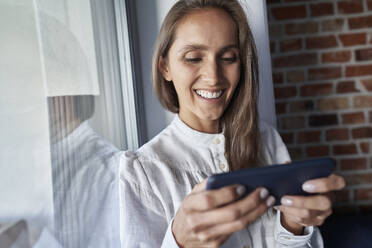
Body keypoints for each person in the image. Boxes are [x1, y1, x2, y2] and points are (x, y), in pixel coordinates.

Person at [120, 0, 345, 247]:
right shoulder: (141, 172)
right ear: (165, 67)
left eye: (228, 58)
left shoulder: (267, 140)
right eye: (194, 58)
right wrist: (179, 242)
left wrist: (293, 226)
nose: (213, 76)